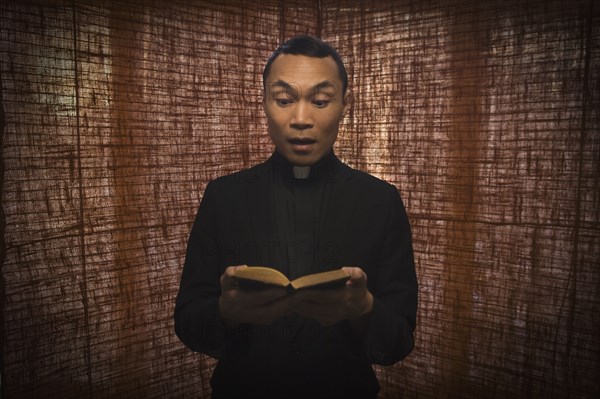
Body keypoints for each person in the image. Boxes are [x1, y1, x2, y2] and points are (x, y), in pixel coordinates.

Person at [174, 35, 418, 399]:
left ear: (344, 105)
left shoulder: (381, 201)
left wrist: (364, 308)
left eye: (320, 100)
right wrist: (225, 311)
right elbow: (188, 321)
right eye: (285, 100)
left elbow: (399, 340)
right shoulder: (223, 196)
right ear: (265, 103)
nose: (301, 119)